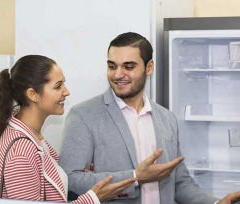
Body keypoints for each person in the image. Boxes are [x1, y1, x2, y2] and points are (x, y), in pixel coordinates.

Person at [59, 32, 240, 204]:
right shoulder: (84, 115)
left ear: (149, 67)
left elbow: (179, 182)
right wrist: (135, 177)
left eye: (128, 66)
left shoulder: (166, 118)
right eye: (112, 66)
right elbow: (70, 179)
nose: (117, 74)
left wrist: (216, 202)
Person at [0, 55, 135, 203]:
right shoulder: (21, 153)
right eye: (58, 86)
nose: (66, 92)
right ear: (33, 94)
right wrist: (93, 198)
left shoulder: (31, 134)